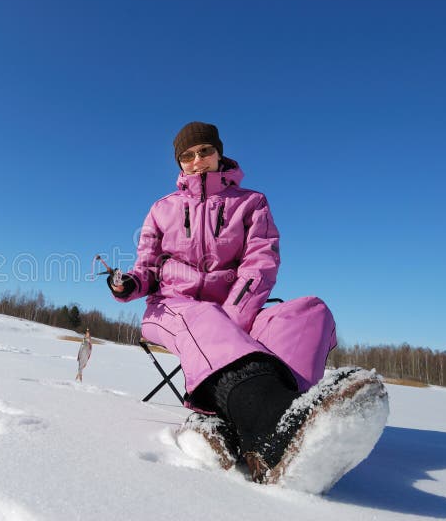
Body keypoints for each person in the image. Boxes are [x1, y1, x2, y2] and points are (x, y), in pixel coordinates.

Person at [106, 121, 341, 482]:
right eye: (187, 156)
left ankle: (286, 418)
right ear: (179, 164)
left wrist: (234, 315)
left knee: (310, 313)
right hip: (172, 308)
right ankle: (269, 422)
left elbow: (260, 265)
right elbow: (147, 269)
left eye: (205, 151)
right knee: (203, 316)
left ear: (219, 153)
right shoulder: (161, 209)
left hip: (235, 309)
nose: (197, 160)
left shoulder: (251, 203)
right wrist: (128, 284)